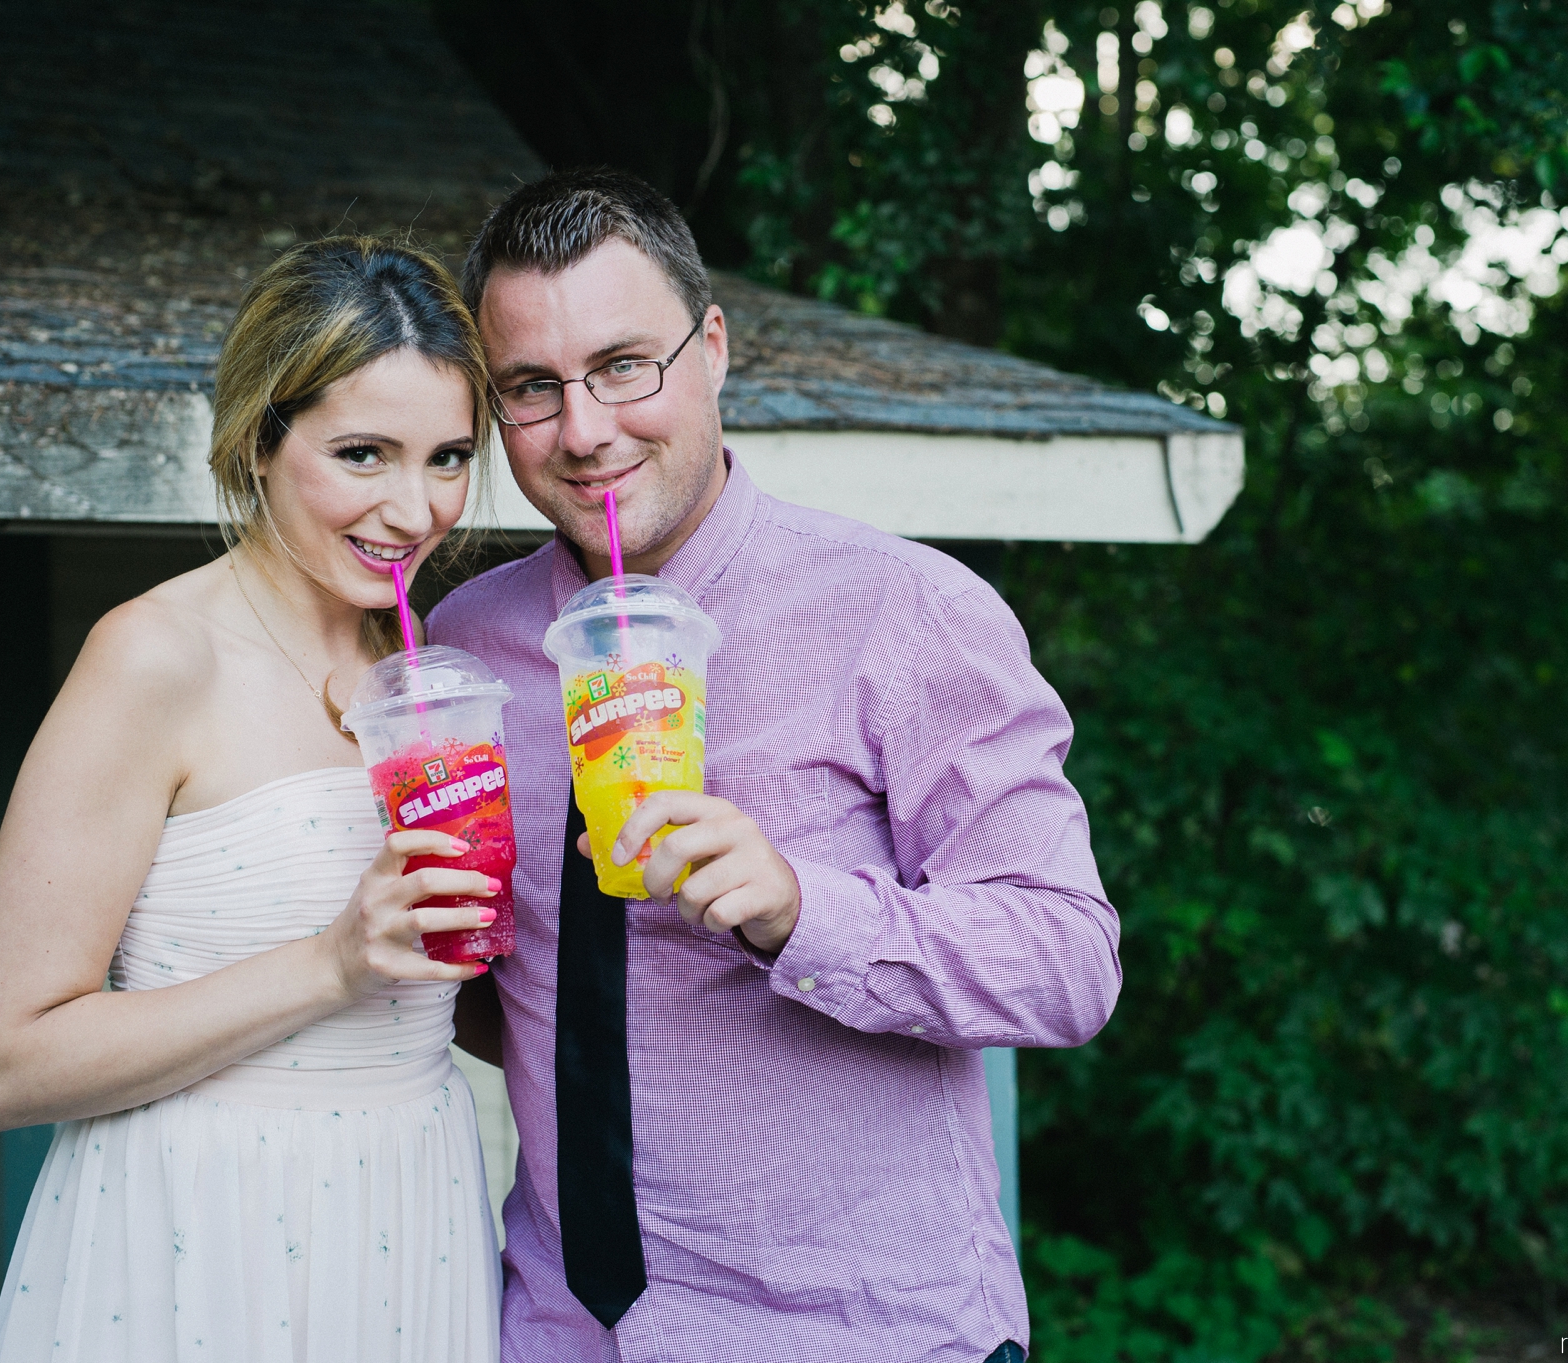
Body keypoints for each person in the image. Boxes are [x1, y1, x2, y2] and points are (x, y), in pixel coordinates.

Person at [430, 168, 1122, 1362]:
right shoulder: (464, 653)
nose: (585, 429)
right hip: (556, 1331)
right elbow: (516, 997)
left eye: (621, 366)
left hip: (864, 1337)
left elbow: (1067, 962)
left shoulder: (903, 610)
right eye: (532, 389)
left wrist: (805, 913)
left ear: (710, 346)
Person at [0, 238, 505, 1363]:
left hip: (415, 1216)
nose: (415, 509)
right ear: (259, 441)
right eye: (363, 454)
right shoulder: (155, 658)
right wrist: (329, 963)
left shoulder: (429, 676)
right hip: (202, 1236)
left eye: (448, 457)